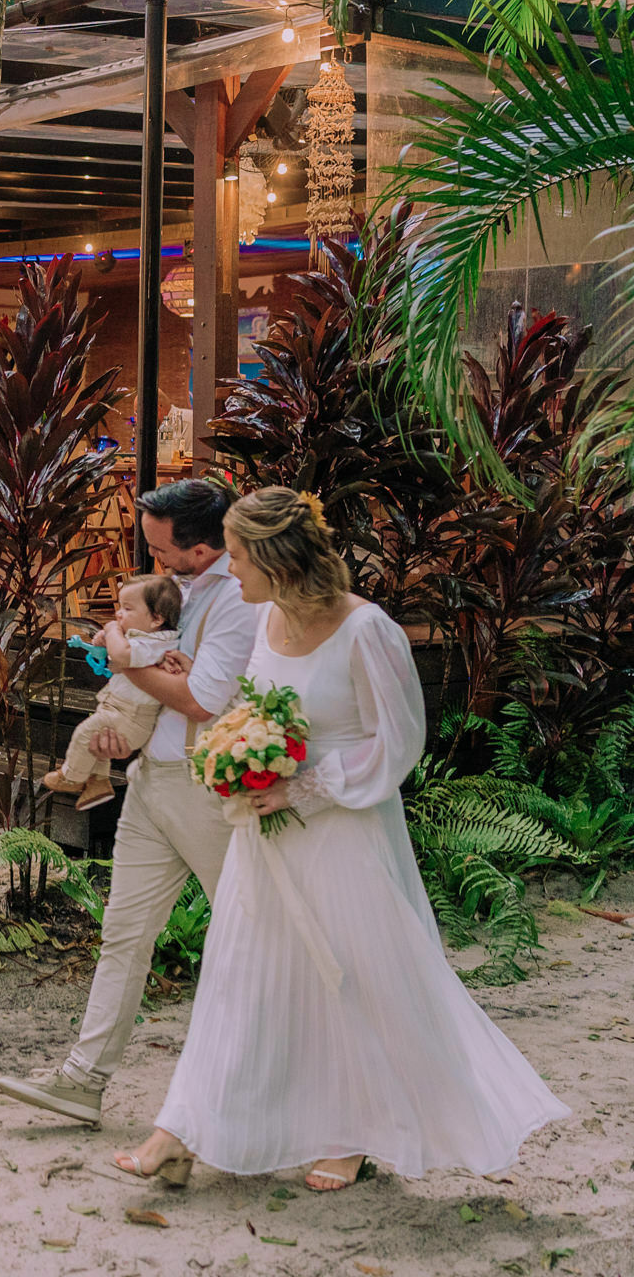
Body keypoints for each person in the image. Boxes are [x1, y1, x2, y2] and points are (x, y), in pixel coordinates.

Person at [112, 487, 568, 1191]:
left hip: (346, 830)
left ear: (275, 557)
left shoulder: (367, 629)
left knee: (354, 981)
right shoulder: (263, 621)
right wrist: (236, 754)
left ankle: (355, 1130)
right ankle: (183, 1127)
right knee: (239, 976)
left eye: (236, 557)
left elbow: (400, 740)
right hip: (265, 836)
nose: (228, 573)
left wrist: (301, 787)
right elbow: (246, 706)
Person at [0, 479, 258, 1126]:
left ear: (200, 550)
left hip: (204, 789)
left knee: (252, 937)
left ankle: (273, 1088)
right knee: (123, 935)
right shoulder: (177, 589)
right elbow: (160, 686)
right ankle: (83, 1080)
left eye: (160, 548)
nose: (151, 558)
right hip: (147, 780)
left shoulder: (238, 601)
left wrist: (125, 659)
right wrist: (121, 728)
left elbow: (200, 697)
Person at [42, 575, 183, 811]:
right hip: (121, 710)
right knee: (97, 743)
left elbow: (122, 656)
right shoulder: (143, 638)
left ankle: (72, 776)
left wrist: (111, 629)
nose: (118, 615)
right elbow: (115, 655)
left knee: (85, 733)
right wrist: (103, 642)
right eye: (118, 608)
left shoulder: (158, 642)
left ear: (156, 618)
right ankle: (98, 783)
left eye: (126, 609)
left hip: (133, 717)